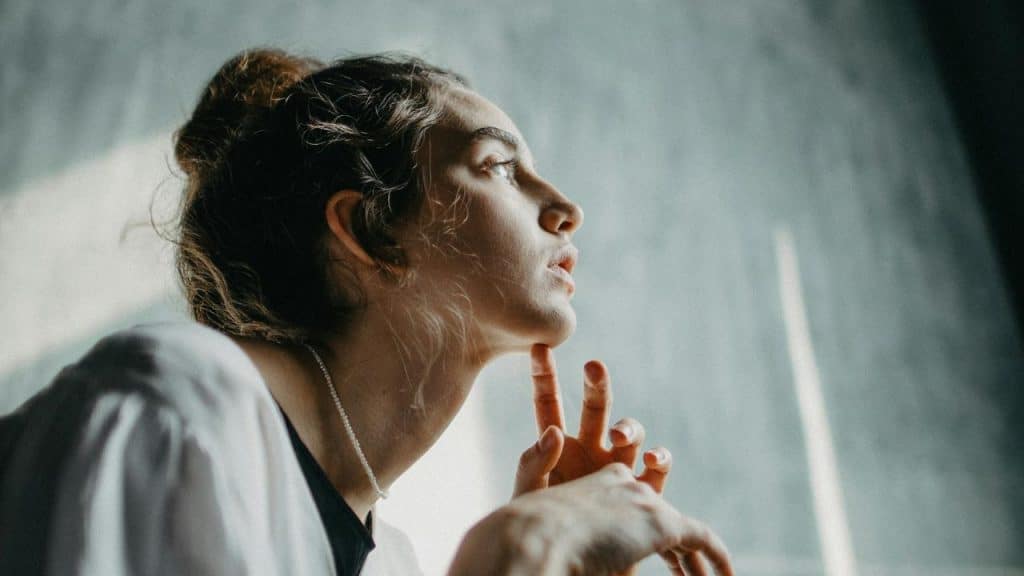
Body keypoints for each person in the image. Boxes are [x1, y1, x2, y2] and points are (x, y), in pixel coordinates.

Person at [0, 48, 733, 576]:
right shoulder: (175, 407)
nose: (568, 210)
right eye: (500, 167)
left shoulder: (395, 563)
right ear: (371, 229)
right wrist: (512, 558)